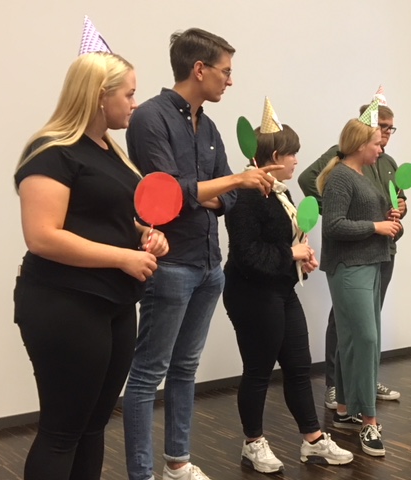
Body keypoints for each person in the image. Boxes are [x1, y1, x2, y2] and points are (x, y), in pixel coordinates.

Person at [122, 29, 281, 480]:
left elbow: (221, 198)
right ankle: (141, 474)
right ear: (199, 69)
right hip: (170, 265)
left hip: (210, 266)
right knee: (148, 372)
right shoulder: (150, 118)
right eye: (225, 71)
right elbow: (167, 194)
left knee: (185, 369)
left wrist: (209, 191)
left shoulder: (208, 126)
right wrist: (228, 184)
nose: (230, 80)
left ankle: (177, 463)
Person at [13, 51, 169, 480]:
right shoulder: (51, 152)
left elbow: (109, 218)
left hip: (114, 303)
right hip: (65, 304)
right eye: (129, 94)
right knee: (62, 431)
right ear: (100, 96)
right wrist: (123, 257)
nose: (135, 103)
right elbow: (42, 236)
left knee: (93, 426)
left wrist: (145, 235)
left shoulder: (110, 151)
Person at [222, 98, 353, 473]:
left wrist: (301, 259)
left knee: (298, 367)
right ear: (276, 155)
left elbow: (282, 244)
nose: (297, 160)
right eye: (293, 154)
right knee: (258, 370)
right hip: (250, 293)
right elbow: (248, 254)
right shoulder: (246, 193)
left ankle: (313, 440)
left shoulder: (281, 191)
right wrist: (290, 253)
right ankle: (253, 443)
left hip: (280, 290)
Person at [298, 89, 405, 411]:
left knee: (369, 327)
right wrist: (333, 206)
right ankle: (336, 386)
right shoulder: (341, 161)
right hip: (353, 255)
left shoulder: (388, 163)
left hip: (381, 251)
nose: (386, 134)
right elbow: (310, 181)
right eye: (381, 128)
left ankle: (364, 382)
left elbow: (392, 201)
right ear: (363, 132)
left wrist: (397, 211)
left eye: (390, 128)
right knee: (347, 324)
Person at [317, 101, 402, 457]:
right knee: (366, 340)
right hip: (349, 267)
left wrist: (390, 221)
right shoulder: (341, 177)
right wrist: (376, 226)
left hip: (371, 263)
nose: (381, 149)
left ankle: (343, 410)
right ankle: (369, 420)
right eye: (377, 144)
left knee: (353, 340)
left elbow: (375, 222)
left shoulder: (365, 175)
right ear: (359, 144)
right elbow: (333, 225)